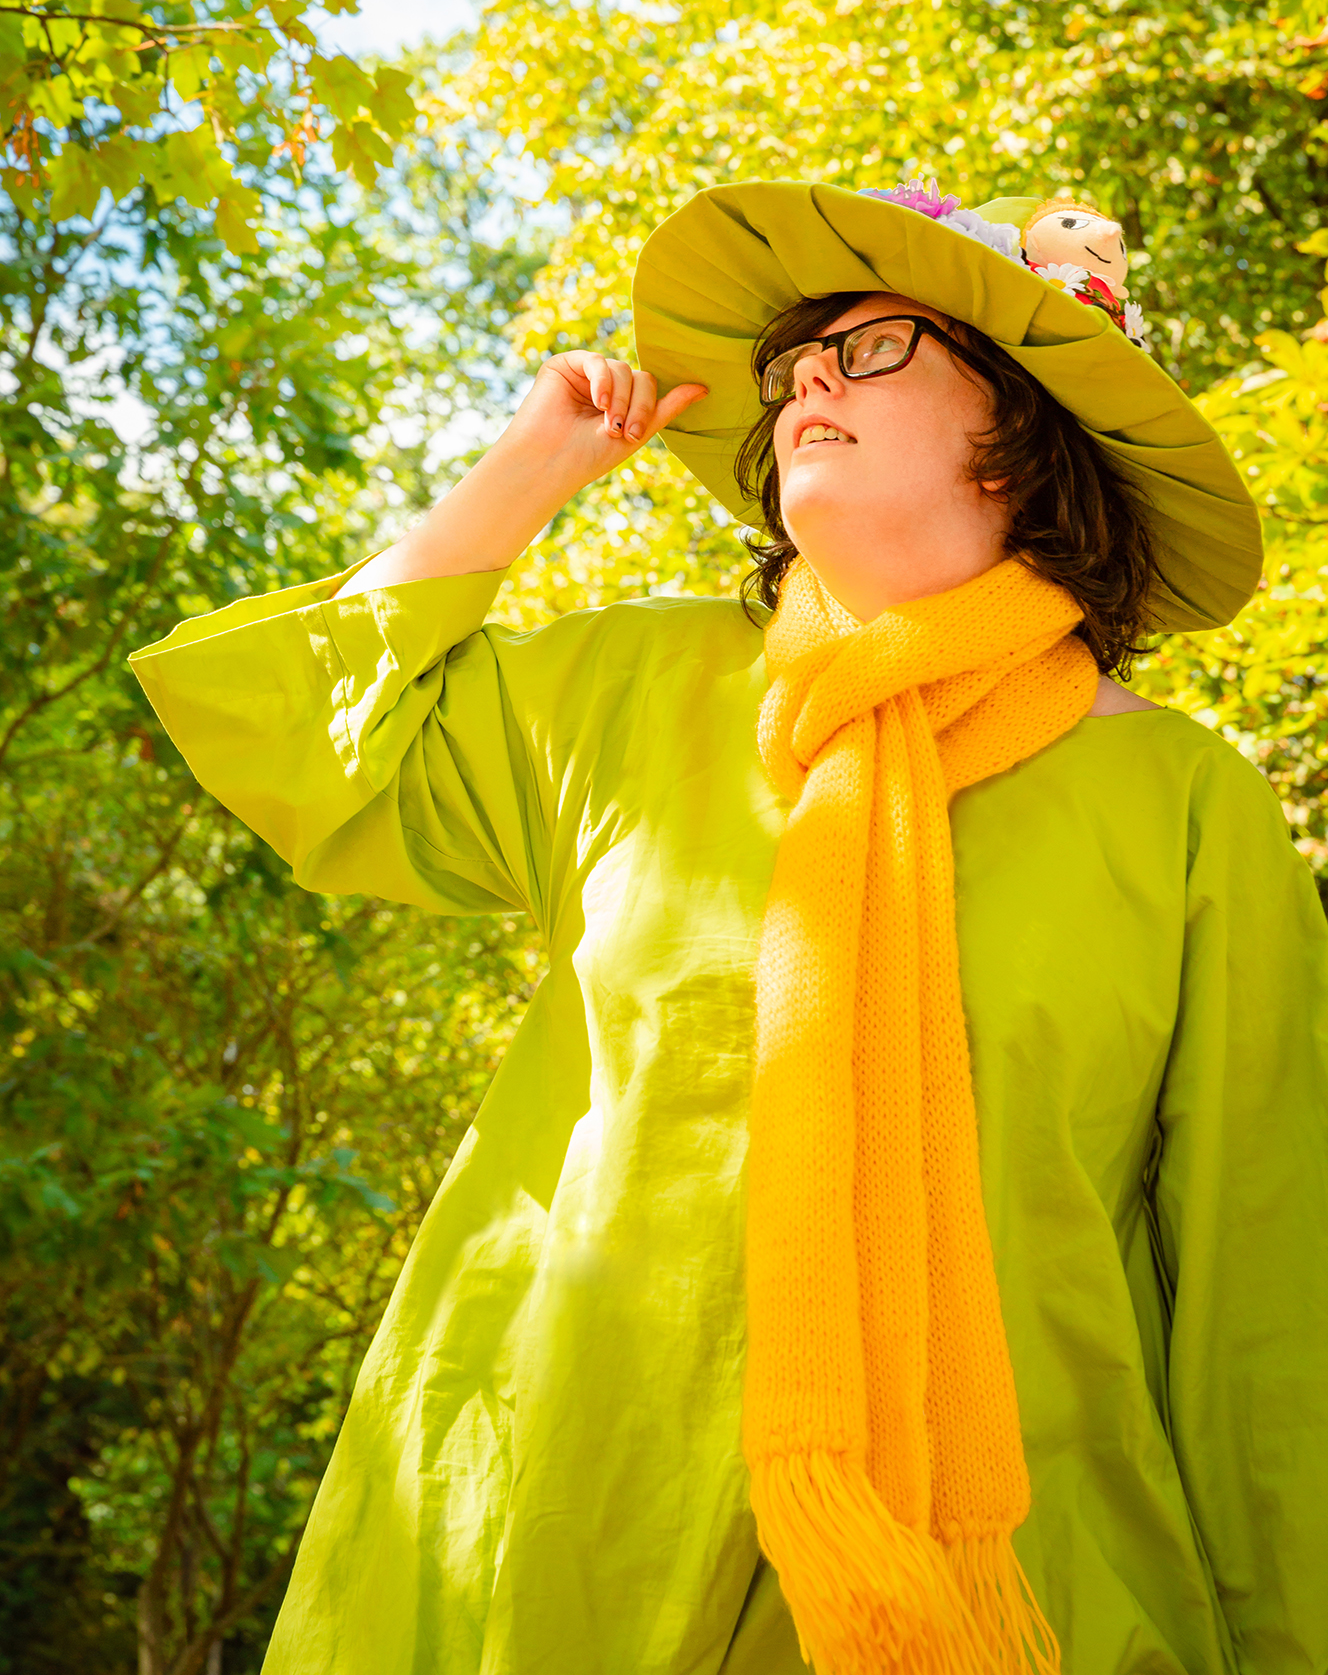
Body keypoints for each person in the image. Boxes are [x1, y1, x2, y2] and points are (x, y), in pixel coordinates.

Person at [130, 179, 1328, 1675]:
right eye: (794, 364)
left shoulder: (1188, 806)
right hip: (572, 1534)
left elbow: (1263, 1308)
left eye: (870, 348)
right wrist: (527, 470)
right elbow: (299, 739)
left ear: (1024, 434)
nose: (810, 379)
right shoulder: (633, 690)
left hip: (1016, 1588)